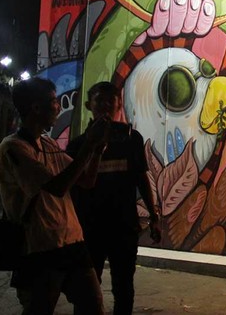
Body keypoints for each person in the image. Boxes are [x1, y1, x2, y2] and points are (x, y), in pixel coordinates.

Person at [0, 77, 109, 314]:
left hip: (72, 242)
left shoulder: (49, 144)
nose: (58, 107)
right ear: (36, 107)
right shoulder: (13, 148)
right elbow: (58, 186)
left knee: (93, 305)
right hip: (40, 247)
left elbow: (86, 180)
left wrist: (97, 150)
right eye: (54, 101)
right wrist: (88, 144)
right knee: (40, 308)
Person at [67, 81, 161, 315]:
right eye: (100, 100)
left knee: (124, 287)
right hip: (89, 227)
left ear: (120, 105)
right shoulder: (78, 145)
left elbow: (141, 178)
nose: (106, 105)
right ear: (89, 105)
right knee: (87, 290)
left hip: (123, 226)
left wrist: (153, 215)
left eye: (111, 100)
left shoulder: (132, 140)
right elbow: (69, 188)